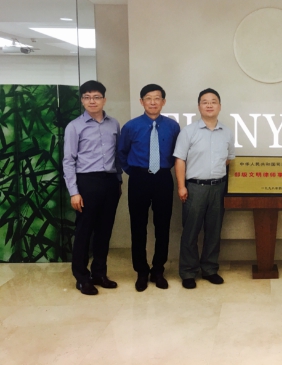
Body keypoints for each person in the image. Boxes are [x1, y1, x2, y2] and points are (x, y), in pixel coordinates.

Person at [118, 84, 180, 292]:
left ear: (163, 101)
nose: (153, 102)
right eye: (148, 98)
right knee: (138, 226)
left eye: (157, 98)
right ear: (141, 101)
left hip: (163, 178)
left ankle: (158, 270)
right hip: (139, 178)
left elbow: (178, 154)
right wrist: (134, 171)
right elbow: (122, 153)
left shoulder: (173, 127)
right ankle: (141, 271)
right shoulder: (131, 126)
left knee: (163, 226)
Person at [63, 80, 122, 295]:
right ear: (82, 100)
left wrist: (118, 181)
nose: (92, 101)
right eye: (87, 97)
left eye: (96, 97)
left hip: (110, 182)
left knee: (104, 231)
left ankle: (99, 273)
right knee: (84, 231)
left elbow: (117, 155)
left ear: (104, 100)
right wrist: (74, 192)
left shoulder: (113, 124)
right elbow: (68, 161)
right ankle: (81, 277)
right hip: (86, 182)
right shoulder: (74, 126)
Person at [173, 88, 235, 289]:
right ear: (199, 106)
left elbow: (228, 159)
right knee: (191, 231)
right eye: (205, 102)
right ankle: (188, 272)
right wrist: (181, 186)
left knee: (214, 231)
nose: (209, 105)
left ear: (220, 106)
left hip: (218, 188)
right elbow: (179, 160)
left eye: (213, 101)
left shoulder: (227, 132)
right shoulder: (188, 131)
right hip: (194, 188)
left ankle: (210, 269)